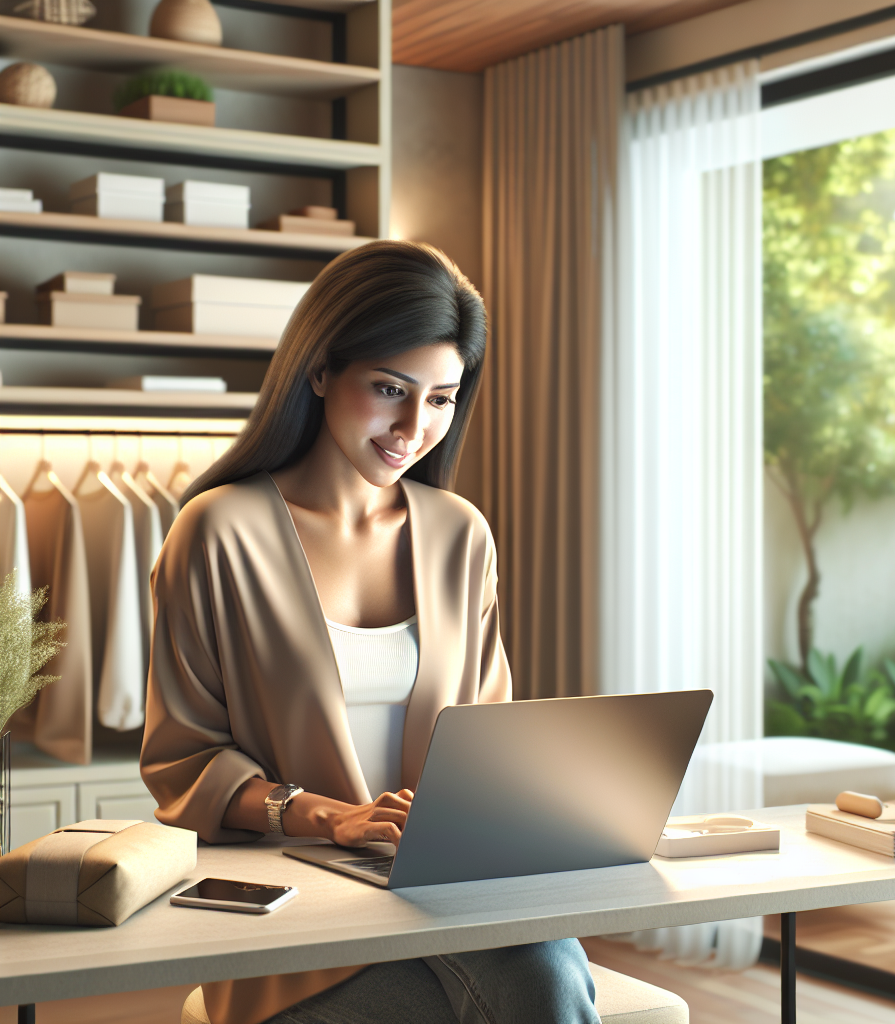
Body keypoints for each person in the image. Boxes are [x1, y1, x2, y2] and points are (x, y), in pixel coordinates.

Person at [140, 241, 601, 1024]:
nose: (413, 427)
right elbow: (183, 762)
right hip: (298, 911)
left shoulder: (462, 535)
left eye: (442, 399)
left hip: (446, 891)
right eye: (390, 389)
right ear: (321, 371)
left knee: (545, 973)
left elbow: (485, 735)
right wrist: (331, 816)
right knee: (526, 993)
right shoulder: (218, 531)